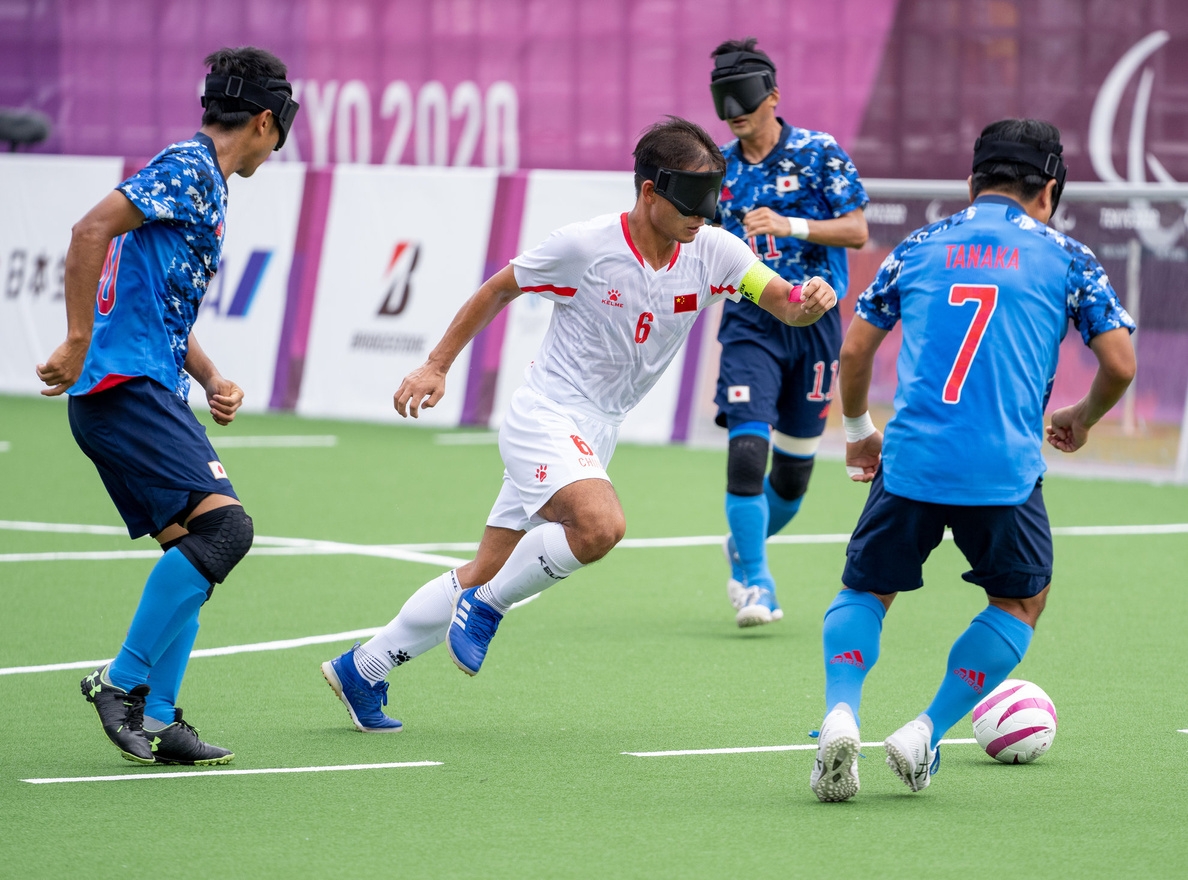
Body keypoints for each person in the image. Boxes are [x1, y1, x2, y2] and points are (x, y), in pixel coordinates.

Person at [320, 117, 839, 732]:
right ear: (649, 191)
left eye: (712, 199)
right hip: (545, 415)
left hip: (598, 431)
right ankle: (486, 608)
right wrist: (436, 365)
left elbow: (784, 303)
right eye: (692, 200)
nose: (704, 215)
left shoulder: (716, 251)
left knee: (485, 567)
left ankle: (363, 668)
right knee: (600, 526)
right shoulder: (583, 246)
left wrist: (809, 301)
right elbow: (498, 290)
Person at [809, 119, 1136, 802]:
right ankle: (925, 731)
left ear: (971, 185)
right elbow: (1120, 364)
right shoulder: (1068, 257)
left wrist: (859, 430)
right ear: (1049, 191)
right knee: (1021, 600)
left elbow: (856, 349)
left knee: (867, 589)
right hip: (1003, 472)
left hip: (911, 461)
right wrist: (1080, 417)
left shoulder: (918, 247)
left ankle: (841, 711)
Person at [36, 47, 299, 766]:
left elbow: (158, 304)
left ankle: (158, 717)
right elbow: (88, 231)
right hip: (126, 390)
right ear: (267, 120)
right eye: (283, 132)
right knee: (227, 531)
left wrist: (209, 375)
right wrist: (78, 339)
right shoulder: (190, 168)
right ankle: (118, 684)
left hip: (135, 389)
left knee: (196, 547)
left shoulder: (198, 176)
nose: (279, 148)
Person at [707, 38, 869, 627]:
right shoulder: (717, 169)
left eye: (744, 96)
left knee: (793, 475)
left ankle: (742, 547)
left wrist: (790, 225)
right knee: (747, 453)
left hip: (817, 322)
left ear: (773, 96)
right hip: (752, 322)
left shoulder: (819, 152)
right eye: (722, 99)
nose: (733, 110)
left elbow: (857, 230)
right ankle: (757, 582)